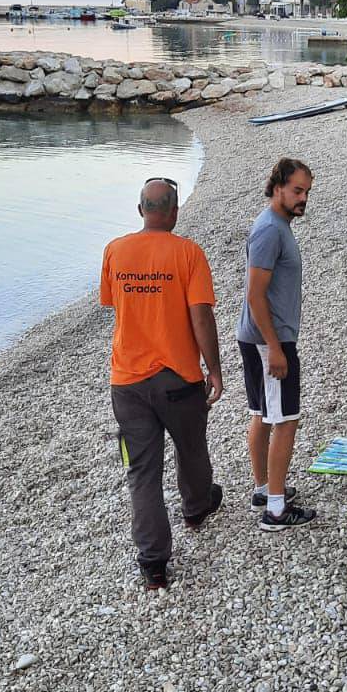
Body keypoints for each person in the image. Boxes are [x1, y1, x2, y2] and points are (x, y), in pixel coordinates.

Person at [100, 178, 223, 589]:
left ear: (141, 211)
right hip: (178, 379)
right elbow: (201, 317)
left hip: (128, 382)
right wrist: (215, 370)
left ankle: (153, 562)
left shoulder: (115, 251)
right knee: (191, 449)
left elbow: (117, 304)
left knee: (141, 472)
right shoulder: (188, 253)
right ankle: (196, 508)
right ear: (174, 211)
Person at [237, 157, 318, 531]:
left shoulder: (277, 225)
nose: (303, 198)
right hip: (269, 339)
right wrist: (276, 348)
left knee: (263, 414)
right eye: (297, 191)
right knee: (285, 420)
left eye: (307, 192)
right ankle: (275, 510)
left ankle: (265, 488)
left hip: (258, 338)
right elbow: (256, 294)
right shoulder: (270, 230)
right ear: (278, 187)